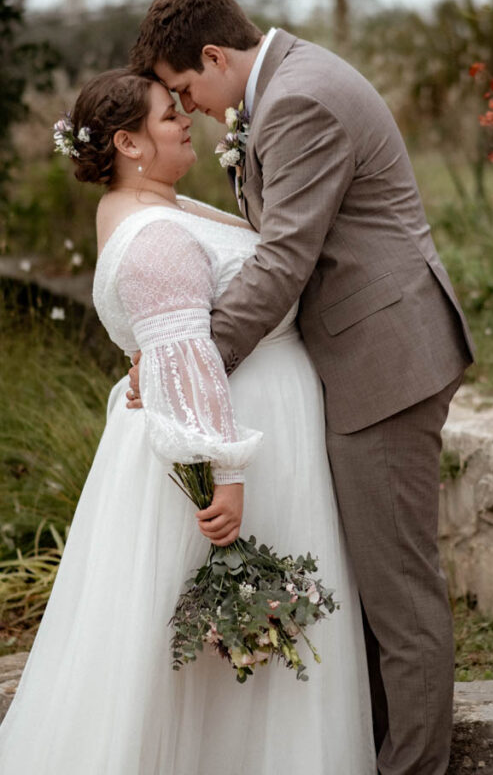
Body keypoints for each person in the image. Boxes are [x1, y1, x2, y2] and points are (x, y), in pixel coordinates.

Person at [128, 0, 476, 775]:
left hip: (384, 361)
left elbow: (286, 256)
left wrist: (193, 362)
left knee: (398, 592)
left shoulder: (297, 101)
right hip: (366, 352)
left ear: (215, 56)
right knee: (375, 585)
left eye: (187, 89)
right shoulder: (287, 84)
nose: (193, 108)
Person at [0, 69, 375, 775]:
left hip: (259, 427)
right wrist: (222, 477)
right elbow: (188, 360)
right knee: (219, 650)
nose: (184, 122)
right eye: (168, 115)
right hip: (222, 455)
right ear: (127, 142)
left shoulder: (156, 206)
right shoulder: (151, 234)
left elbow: (175, 346)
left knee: (244, 648)